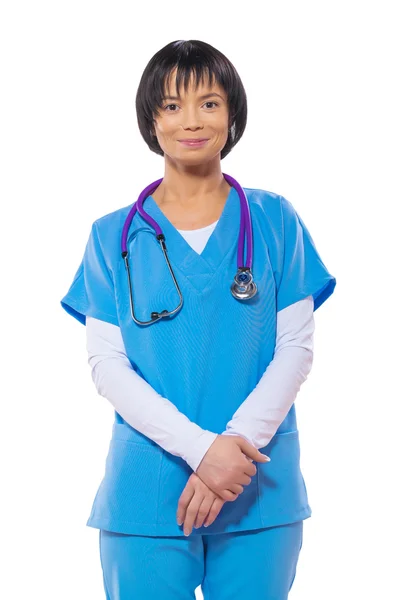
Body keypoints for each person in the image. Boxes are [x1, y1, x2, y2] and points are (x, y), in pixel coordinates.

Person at [60, 39, 336, 600]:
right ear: (151, 119)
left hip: (257, 483)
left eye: (209, 103)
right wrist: (201, 451)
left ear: (232, 114)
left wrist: (232, 445)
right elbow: (108, 368)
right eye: (171, 105)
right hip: (149, 489)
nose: (191, 120)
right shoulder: (111, 235)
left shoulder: (274, 219)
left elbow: (295, 351)